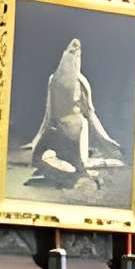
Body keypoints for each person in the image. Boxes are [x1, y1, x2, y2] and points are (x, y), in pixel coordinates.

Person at [21, 33, 123, 191]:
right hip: (60, 130)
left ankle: (84, 164)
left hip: (79, 130)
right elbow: (48, 114)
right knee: (40, 159)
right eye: (71, 50)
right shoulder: (52, 80)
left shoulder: (82, 83)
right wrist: (36, 141)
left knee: (81, 165)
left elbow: (90, 113)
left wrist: (106, 139)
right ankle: (71, 165)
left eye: (77, 51)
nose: (74, 51)